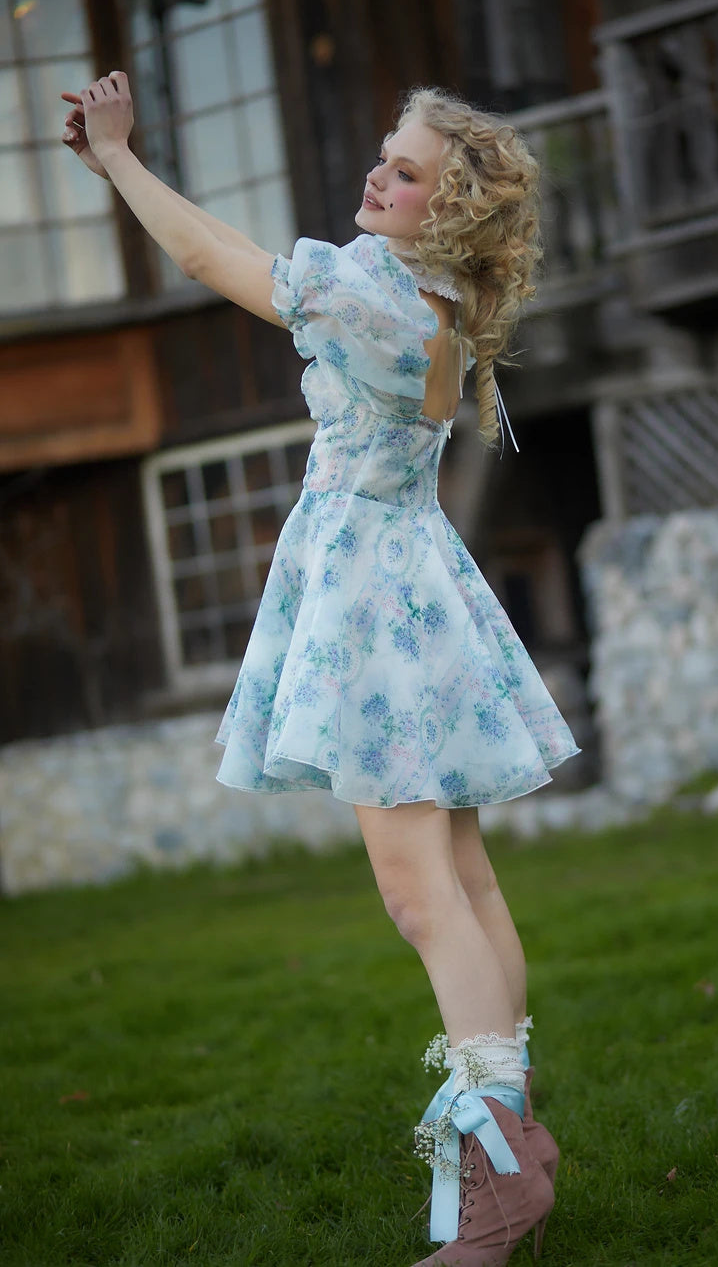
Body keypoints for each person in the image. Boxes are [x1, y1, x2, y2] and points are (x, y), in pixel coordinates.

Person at [62, 71, 578, 1265]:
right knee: (466, 882)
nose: (375, 176)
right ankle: (517, 1141)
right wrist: (120, 171)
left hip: (371, 605)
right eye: (384, 155)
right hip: (411, 582)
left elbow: (212, 263)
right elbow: (243, 253)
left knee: (418, 895)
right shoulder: (432, 299)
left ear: (445, 209)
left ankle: (496, 1184)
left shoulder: (376, 297)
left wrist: (127, 162)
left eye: (402, 170)